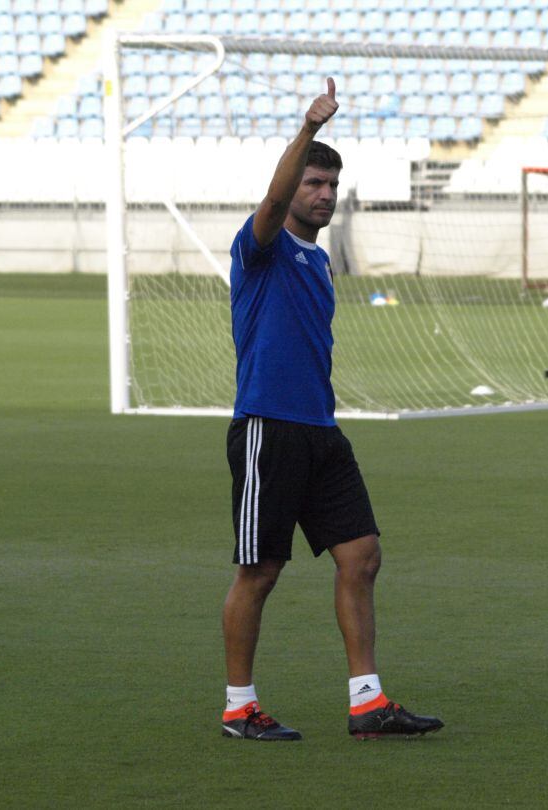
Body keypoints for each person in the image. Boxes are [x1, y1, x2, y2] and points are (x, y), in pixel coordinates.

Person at [220, 78, 444, 742]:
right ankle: (239, 707)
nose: (322, 193)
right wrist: (307, 131)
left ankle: (368, 703)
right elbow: (268, 199)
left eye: (329, 186)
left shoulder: (317, 263)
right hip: (268, 426)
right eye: (312, 182)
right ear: (293, 187)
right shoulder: (258, 248)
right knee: (260, 571)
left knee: (363, 555)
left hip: (322, 431)